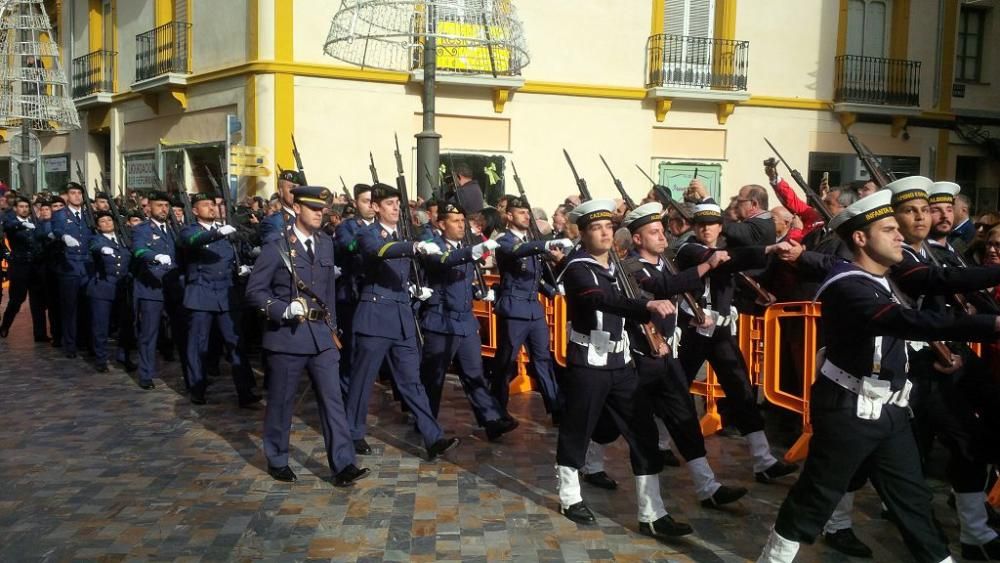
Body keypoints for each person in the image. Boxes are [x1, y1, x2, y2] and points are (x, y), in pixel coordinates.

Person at [757, 189, 1000, 563]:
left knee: (913, 499)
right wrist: (991, 324)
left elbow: (937, 282)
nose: (900, 234)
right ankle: (773, 559)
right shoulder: (849, 288)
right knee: (817, 495)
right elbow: (905, 319)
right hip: (849, 410)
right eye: (889, 229)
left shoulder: (886, 276)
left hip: (891, 411)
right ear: (860, 238)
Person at [589, 202, 748, 508]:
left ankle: (708, 487)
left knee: (686, 419)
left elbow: (674, 286)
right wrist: (706, 265)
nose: (663, 237)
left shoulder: (666, 263)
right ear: (637, 239)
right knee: (615, 421)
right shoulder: (633, 269)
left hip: (666, 356)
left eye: (663, 231)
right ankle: (591, 463)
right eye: (654, 232)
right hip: (639, 359)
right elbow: (664, 287)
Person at [554, 198, 692, 539]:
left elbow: (660, 283)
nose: (603, 233)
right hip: (588, 363)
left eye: (608, 227)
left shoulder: (620, 267)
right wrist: (645, 308)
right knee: (578, 429)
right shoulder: (578, 268)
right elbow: (599, 298)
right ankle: (570, 497)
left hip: (622, 362)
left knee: (643, 434)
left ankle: (652, 513)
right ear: (583, 234)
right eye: (595, 228)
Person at [246, 186, 369, 487]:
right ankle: (276, 457)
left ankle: (343, 465)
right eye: (312, 208)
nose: (319, 213)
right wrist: (282, 310)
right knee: (281, 402)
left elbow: (327, 293)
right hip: (287, 336)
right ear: (297, 207)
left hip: (321, 337)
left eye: (322, 209)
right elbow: (254, 291)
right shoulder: (277, 246)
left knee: (333, 401)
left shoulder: (325, 244)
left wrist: (333, 331)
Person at [675, 200, 799, 483]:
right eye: (702, 225)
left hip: (719, 333)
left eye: (712, 224)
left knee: (742, 389)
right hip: (693, 331)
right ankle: (657, 443)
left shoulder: (722, 249)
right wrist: (768, 248)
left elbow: (731, 277)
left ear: (721, 226)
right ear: (695, 227)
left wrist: (756, 296)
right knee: (674, 388)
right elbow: (724, 260)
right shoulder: (689, 249)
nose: (707, 229)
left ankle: (763, 460)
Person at [344, 183, 460, 460]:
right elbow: (379, 252)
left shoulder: (405, 234)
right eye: (389, 203)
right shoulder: (368, 234)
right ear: (374, 207)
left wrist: (414, 288)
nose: (396, 208)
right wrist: (414, 246)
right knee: (362, 380)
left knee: (412, 381)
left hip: (401, 317)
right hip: (375, 315)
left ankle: (432, 437)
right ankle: (352, 433)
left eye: (398, 203)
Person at [418, 200, 519, 440]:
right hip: (441, 320)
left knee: (475, 374)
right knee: (434, 377)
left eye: (463, 221)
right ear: (441, 224)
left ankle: (491, 419)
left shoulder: (466, 246)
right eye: (455, 221)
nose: (461, 225)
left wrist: (478, 293)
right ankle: (426, 422)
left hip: (464, 320)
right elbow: (444, 262)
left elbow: (463, 282)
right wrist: (471, 252)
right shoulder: (434, 245)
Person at [489, 196, 570, 420]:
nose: (526, 216)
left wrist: (552, 291)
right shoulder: (505, 241)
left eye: (527, 212)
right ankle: (497, 411)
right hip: (514, 309)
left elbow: (537, 277)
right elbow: (517, 252)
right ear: (509, 215)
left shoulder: (531, 241)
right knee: (506, 361)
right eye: (521, 212)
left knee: (543, 359)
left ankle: (555, 408)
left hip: (534, 309)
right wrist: (543, 245)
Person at [178, 193, 258, 407]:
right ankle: (197, 388)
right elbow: (192, 242)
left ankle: (245, 390)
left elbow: (242, 252)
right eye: (205, 205)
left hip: (226, 293)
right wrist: (217, 233)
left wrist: (245, 266)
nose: (211, 208)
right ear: (195, 211)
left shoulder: (228, 231)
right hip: (202, 292)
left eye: (212, 204)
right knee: (198, 344)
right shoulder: (190, 230)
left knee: (235, 342)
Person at [132, 191, 185, 390]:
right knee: (149, 333)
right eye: (159, 205)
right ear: (149, 208)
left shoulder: (174, 229)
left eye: (166, 206)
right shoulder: (142, 229)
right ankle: (146, 373)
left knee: (179, 331)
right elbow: (138, 250)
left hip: (173, 286)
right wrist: (155, 257)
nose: (163, 209)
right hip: (151, 287)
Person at [333, 183, 376, 396]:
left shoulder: (383, 226)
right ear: (355, 203)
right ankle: (346, 390)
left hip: (375, 294)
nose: (369, 206)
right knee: (350, 346)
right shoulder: (347, 226)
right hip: (352, 293)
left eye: (372, 201)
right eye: (365, 201)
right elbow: (347, 246)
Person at [50, 182, 94, 359]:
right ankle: (70, 345)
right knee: (70, 308)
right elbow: (57, 229)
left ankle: (84, 341)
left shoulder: (89, 214)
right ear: (67, 196)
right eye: (73, 193)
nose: (76, 196)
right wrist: (63, 236)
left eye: (79, 193)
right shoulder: (60, 214)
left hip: (88, 265)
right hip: (69, 265)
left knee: (87, 307)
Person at [87, 211, 135, 373]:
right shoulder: (97, 239)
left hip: (122, 288)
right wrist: (103, 249)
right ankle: (101, 358)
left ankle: (124, 355)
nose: (107, 223)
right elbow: (94, 246)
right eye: (103, 221)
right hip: (103, 287)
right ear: (98, 226)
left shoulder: (123, 238)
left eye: (109, 220)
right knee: (101, 325)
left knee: (125, 325)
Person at [0, 196, 48, 341]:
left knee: (37, 302)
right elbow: (8, 227)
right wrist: (22, 226)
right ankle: (4, 326)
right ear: (15, 209)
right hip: (20, 267)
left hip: (35, 266)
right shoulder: (11, 222)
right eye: (21, 206)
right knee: (16, 300)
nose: (24, 209)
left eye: (27, 207)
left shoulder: (35, 222)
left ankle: (40, 334)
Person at [259, 170, 302, 243]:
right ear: (280, 192)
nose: (296, 192)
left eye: (299, 189)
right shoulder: (273, 222)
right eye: (292, 188)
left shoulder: (306, 217)